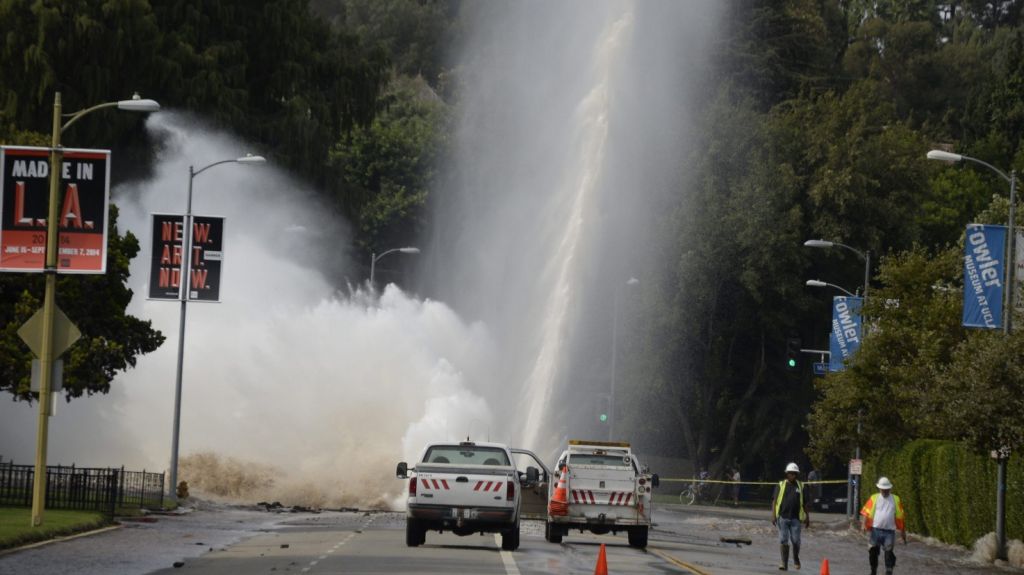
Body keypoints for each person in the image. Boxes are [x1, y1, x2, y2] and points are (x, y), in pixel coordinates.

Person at [860, 477, 907, 575]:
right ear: (879, 489)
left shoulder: (895, 499)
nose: (884, 491)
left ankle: (889, 571)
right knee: (872, 551)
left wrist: (903, 535)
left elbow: (901, 517)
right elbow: (866, 512)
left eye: (886, 490)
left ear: (890, 489)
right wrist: (864, 524)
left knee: (888, 552)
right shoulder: (874, 498)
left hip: (889, 532)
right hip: (875, 530)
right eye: (882, 489)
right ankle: (873, 571)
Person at [770, 462, 809, 571]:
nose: (792, 475)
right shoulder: (781, 485)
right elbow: (774, 501)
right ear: (787, 474)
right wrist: (773, 515)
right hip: (782, 517)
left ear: (796, 474)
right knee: (783, 540)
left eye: (794, 473)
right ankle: (784, 563)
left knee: (796, 541)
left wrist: (807, 518)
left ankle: (796, 558)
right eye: (790, 473)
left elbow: (805, 504)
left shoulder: (801, 486)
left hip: (796, 519)